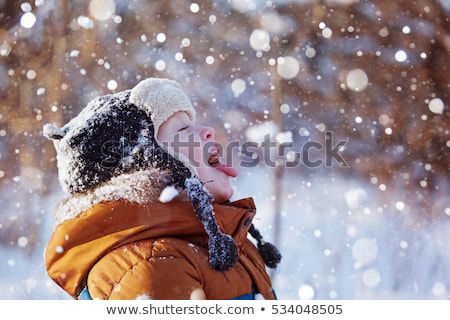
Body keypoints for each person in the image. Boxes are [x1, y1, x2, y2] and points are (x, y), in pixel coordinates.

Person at [43, 77, 281, 300]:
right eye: (181, 129)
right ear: (148, 168)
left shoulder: (204, 242)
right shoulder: (152, 267)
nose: (207, 130)